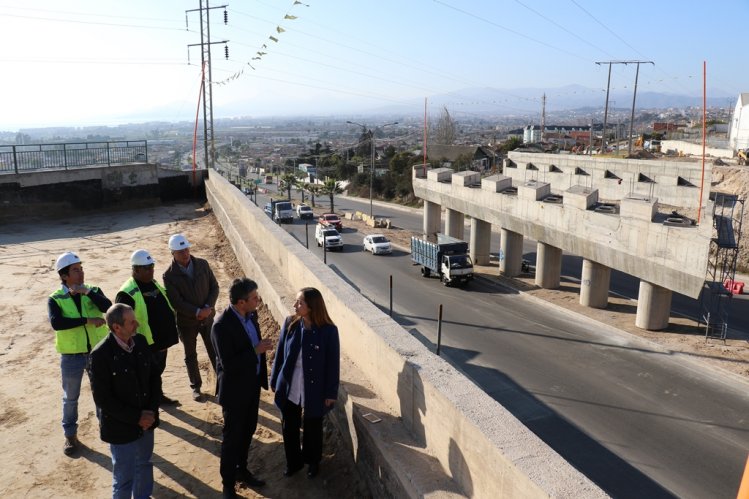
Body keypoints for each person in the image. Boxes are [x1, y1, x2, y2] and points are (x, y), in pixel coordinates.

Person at [90, 303, 161, 499]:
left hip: (146, 422)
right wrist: (137, 417)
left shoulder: (141, 342)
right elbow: (103, 399)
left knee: (144, 465)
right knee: (124, 479)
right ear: (116, 327)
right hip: (121, 429)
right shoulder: (100, 355)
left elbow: (155, 378)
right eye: (131, 322)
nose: (137, 324)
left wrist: (151, 412)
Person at [211, 278, 273, 499]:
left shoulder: (251, 315)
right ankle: (228, 483)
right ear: (241, 302)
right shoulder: (221, 325)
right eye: (254, 298)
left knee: (248, 431)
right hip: (235, 391)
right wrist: (256, 351)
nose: (258, 300)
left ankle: (242, 470)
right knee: (232, 437)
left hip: (252, 386)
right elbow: (228, 364)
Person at [270, 287, 340, 479]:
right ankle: (293, 463)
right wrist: (275, 379)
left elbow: (333, 365)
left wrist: (330, 393)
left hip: (314, 389)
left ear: (311, 307)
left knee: (313, 427)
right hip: (291, 386)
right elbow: (280, 354)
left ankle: (313, 462)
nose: (295, 305)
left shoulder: (329, 332)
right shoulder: (290, 324)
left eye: (300, 302)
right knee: (289, 426)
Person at [47, 251, 112, 456]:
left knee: (102, 392)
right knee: (70, 398)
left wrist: (87, 292)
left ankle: (107, 429)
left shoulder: (92, 290)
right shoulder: (55, 298)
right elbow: (57, 323)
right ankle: (70, 436)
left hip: (97, 352)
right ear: (64, 275)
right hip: (71, 355)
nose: (81, 272)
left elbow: (108, 307)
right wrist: (87, 321)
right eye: (76, 270)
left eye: (81, 268)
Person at [116, 249, 179, 405]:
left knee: (157, 371)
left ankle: (157, 395)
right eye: (147, 268)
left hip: (161, 340)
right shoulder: (127, 292)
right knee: (145, 375)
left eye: (152, 267)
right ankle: (146, 403)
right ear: (136, 269)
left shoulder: (152, 282)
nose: (152, 270)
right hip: (144, 343)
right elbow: (121, 322)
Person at [162, 234, 219, 402]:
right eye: (180, 251)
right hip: (187, 322)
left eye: (186, 249)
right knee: (190, 355)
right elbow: (176, 302)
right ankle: (196, 386)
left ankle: (222, 382)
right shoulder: (169, 276)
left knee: (214, 350)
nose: (185, 253)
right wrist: (196, 312)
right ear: (172, 253)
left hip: (208, 318)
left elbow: (214, 287)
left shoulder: (202, 264)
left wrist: (208, 307)